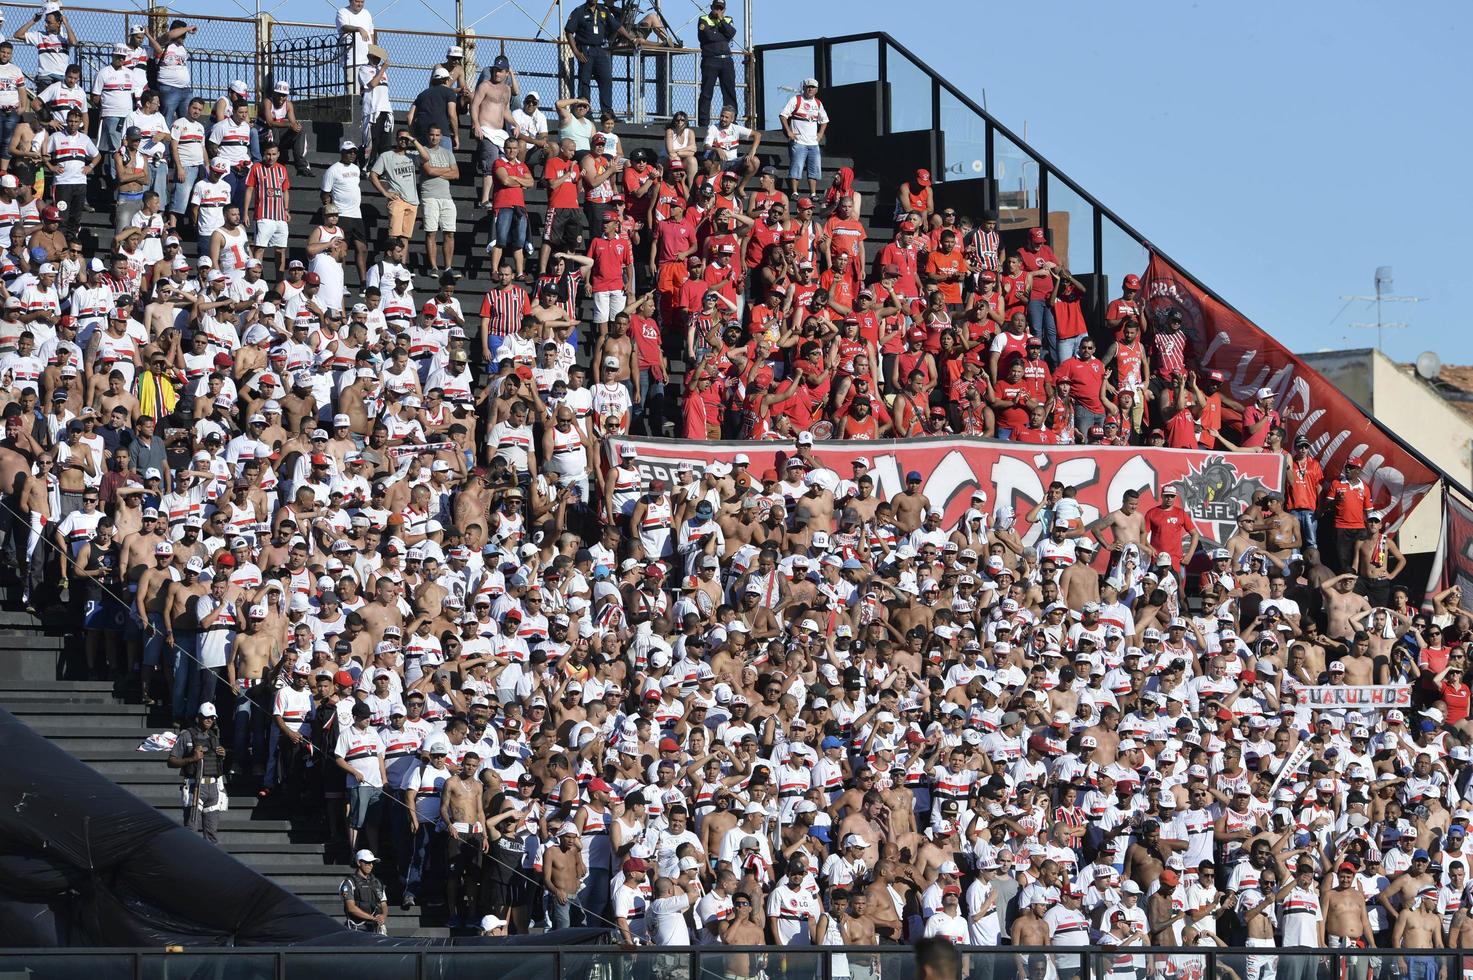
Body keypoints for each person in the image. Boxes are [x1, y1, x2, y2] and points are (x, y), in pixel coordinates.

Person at [564, 0, 639, 118]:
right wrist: (576, 52)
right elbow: (569, 31)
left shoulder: (603, 11)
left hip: (601, 50)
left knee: (606, 80)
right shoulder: (579, 11)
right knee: (584, 81)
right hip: (586, 50)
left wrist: (631, 39)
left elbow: (617, 26)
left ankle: (607, 113)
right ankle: (585, 112)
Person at [168, 701, 226, 844]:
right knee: (191, 830)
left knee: (212, 834)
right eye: (207, 717)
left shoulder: (214, 736)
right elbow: (171, 761)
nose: (210, 720)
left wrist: (222, 755)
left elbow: (215, 764)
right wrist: (191, 759)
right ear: (198, 717)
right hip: (195, 787)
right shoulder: (186, 735)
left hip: (214, 788)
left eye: (212, 717)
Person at [780, 78, 828, 199]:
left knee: (814, 169)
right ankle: (795, 192)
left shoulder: (818, 103)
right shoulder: (796, 99)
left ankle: (813, 193)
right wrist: (789, 131)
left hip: (813, 143)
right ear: (804, 88)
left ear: (816, 90)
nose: (810, 89)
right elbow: (783, 115)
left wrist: (820, 134)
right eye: (808, 87)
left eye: (812, 87)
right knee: (796, 167)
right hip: (799, 141)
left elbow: (824, 120)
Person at [695, 0, 737, 129]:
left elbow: (731, 34)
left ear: (724, 9)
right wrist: (721, 35)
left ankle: (732, 121)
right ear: (712, 7)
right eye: (716, 8)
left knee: (729, 92)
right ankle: (703, 123)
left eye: (721, 8)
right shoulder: (704, 18)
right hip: (710, 60)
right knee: (707, 92)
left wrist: (721, 22)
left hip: (726, 60)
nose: (718, 10)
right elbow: (706, 36)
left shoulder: (728, 19)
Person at [341, 849, 389, 934]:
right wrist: (373, 918)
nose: (371, 865)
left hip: (375, 927)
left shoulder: (377, 882)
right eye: (367, 862)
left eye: (372, 863)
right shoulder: (349, 882)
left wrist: (382, 917)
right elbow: (351, 908)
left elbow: (383, 904)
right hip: (356, 928)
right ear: (359, 863)